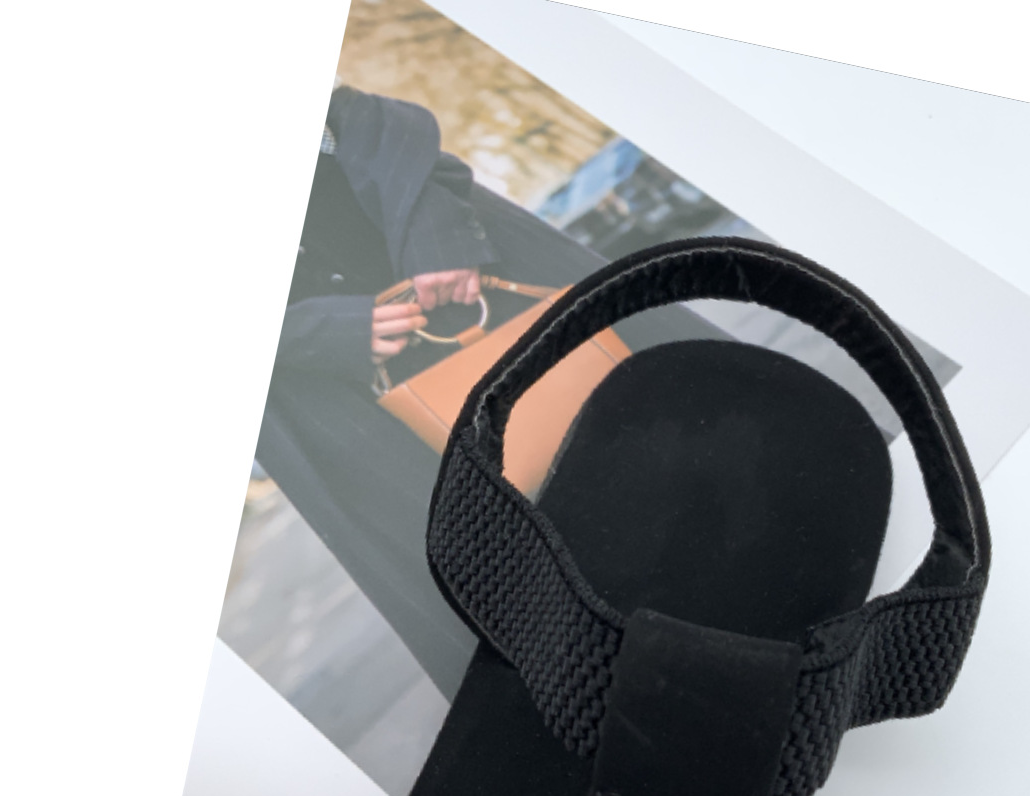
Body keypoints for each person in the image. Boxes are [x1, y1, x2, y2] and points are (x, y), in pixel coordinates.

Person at [255, 84, 729, 696]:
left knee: (686, 436)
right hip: (311, 382)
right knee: (505, 573)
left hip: (430, 241)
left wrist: (432, 226)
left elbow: (340, 109)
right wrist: (311, 331)